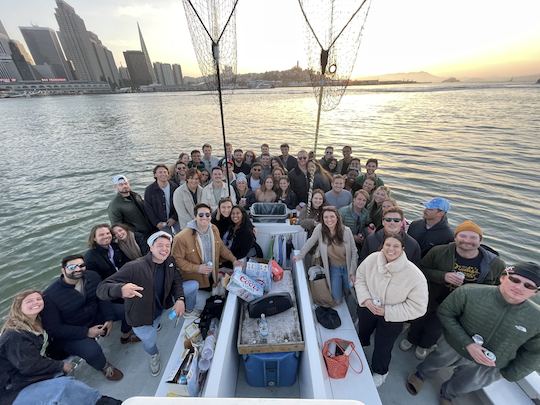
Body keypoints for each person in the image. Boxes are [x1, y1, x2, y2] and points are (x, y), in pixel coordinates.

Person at [406, 262, 540, 405]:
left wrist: (512, 373)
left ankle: (448, 393)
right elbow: (445, 313)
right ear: (502, 277)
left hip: (491, 363)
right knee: (437, 360)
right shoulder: (469, 292)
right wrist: (468, 343)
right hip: (454, 345)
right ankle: (422, 374)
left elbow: (534, 352)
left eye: (529, 286)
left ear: (536, 292)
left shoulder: (536, 318)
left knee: (467, 383)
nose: (519, 287)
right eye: (515, 280)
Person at [400, 220, 506, 360]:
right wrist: (443, 276)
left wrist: (472, 291)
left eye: (473, 237)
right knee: (419, 318)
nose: (467, 241)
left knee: (437, 327)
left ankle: (425, 345)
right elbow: (421, 270)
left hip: (460, 305)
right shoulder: (439, 251)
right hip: (432, 297)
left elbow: (496, 289)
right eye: (463, 236)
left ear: (480, 240)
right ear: (455, 238)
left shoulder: (495, 264)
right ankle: (411, 338)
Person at [97, 231, 199, 377]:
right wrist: (120, 289)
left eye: (167, 246)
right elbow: (101, 288)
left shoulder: (169, 260)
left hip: (163, 304)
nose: (164, 249)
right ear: (150, 248)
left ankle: (183, 312)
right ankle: (154, 355)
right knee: (149, 342)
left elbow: (177, 280)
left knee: (193, 286)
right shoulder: (134, 266)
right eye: (160, 245)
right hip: (142, 317)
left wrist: (180, 299)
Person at [0, 290, 122, 405]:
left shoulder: (35, 322)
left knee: (60, 378)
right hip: (10, 390)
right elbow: (29, 365)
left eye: (38, 299)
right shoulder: (15, 335)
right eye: (29, 301)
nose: (36, 302)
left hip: (22, 376)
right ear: (18, 307)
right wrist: (60, 365)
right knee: (65, 387)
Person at [355, 234, 428, 387]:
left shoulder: (415, 275)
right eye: (388, 245)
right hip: (367, 308)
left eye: (396, 246)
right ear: (382, 246)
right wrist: (366, 300)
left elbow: (418, 307)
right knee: (362, 331)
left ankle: (380, 372)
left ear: (403, 249)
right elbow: (360, 278)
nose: (391, 249)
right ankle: (359, 349)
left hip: (392, 317)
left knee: (384, 345)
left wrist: (387, 312)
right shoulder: (372, 259)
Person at [41, 255, 125, 381]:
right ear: (63, 270)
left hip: (94, 315)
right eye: (72, 266)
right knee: (92, 351)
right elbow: (55, 329)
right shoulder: (50, 296)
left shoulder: (92, 276)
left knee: (126, 311)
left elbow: (102, 297)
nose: (78, 269)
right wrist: (87, 332)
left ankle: (126, 336)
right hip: (73, 330)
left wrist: (109, 318)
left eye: (81, 265)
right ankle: (104, 366)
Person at [295, 206, 358, 304]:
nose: (329, 220)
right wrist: (300, 255)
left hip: (347, 267)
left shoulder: (346, 231)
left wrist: (352, 271)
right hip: (334, 267)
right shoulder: (320, 229)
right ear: (322, 219)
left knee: (350, 291)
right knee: (337, 298)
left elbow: (354, 252)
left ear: (337, 217)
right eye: (326, 217)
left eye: (332, 217)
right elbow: (310, 242)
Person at [172, 203, 239, 290]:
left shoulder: (214, 229)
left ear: (210, 216)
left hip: (212, 276)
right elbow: (176, 260)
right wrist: (197, 268)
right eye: (201, 215)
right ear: (195, 217)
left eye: (207, 214)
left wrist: (233, 260)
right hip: (196, 283)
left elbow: (221, 247)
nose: (204, 217)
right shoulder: (181, 237)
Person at [144, 164, 179, 235]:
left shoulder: (175, 186)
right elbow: (148, 208)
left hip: (174, 220)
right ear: (155, 175)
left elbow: (179, 204)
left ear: (168, 174)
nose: (163, 174)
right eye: (160, 172)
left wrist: (174, 218)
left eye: (165, 172)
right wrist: (156, 223)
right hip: (159, 224)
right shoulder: (149, 190)